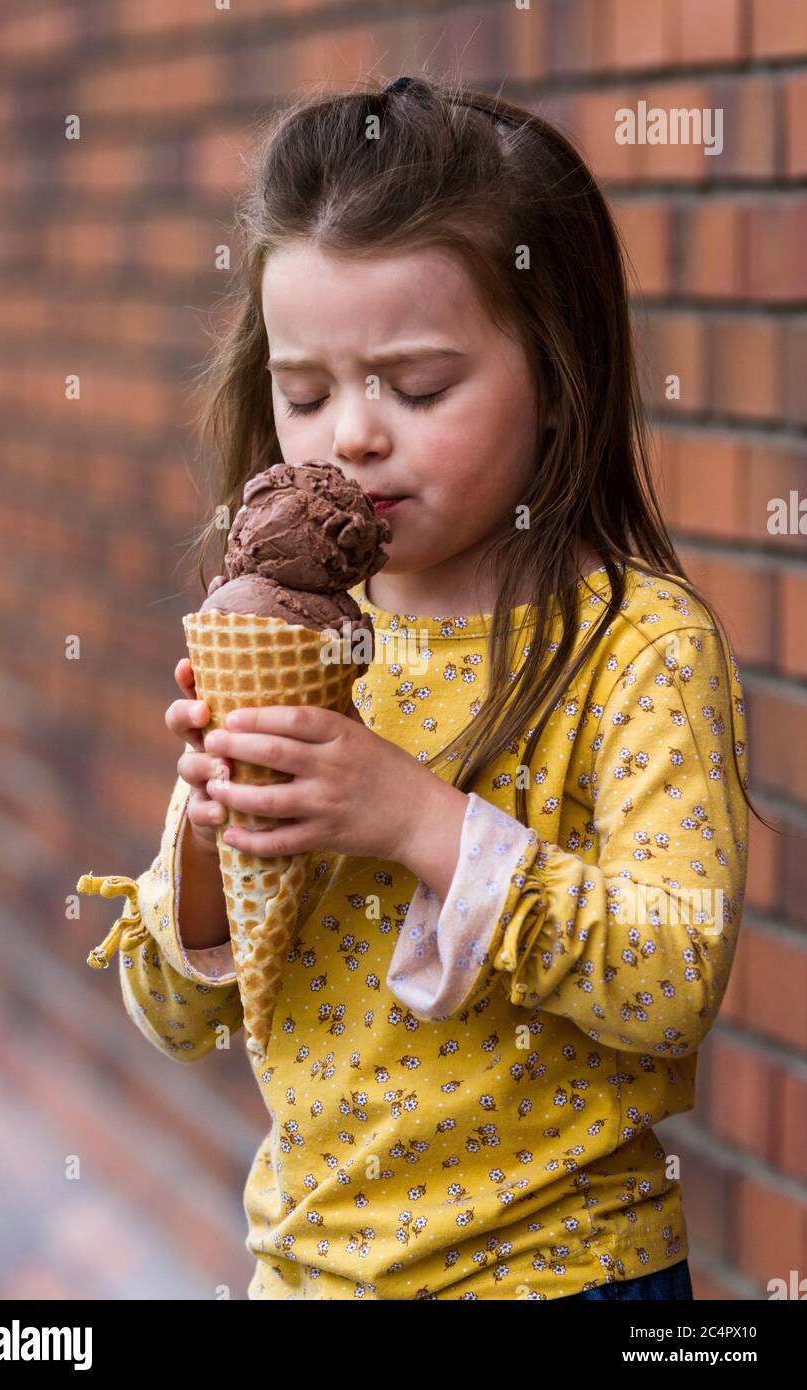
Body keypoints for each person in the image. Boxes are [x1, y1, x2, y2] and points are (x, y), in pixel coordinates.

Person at [86, 73, 765, 1301]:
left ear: (555, 378)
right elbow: (180, 1019)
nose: (349, 434)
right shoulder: (295, 635)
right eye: (306, 393)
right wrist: (209, 828)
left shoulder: (638, 647)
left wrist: (412, 819)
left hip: (562, 1275)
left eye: (415, 385)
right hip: (304, 1275)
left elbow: (670, 982)